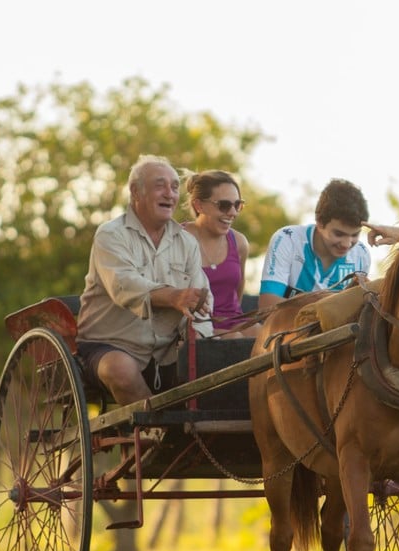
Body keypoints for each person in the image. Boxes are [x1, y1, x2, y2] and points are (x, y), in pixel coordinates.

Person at [75, 154, 212, 405]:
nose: (169, 193)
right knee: (121, 369)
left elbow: (200, 298)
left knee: (213, 360)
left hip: (167, 352)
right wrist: (173, 296)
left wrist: (200, 338)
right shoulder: (111, 234)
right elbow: (124, 285)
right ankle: (154, 428)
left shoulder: (187, 243)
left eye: (174, 187)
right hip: (110, 345)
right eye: (160, 185)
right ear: (135, 192)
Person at [257, 178, 371, 310]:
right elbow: (267, 306)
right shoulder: (287, 239)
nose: (346, 244)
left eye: (355, 235)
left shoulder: (361, 255)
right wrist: (325, 305)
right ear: (320, 222)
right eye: (339, 234)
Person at [182, 169, 258, 338]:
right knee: (234, 339)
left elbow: (239, 288)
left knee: (265, 335)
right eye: (224, 205)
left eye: (237, 205)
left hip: (233, 320)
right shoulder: (178, 240)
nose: (233, 212)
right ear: (199, 205)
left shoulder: (239, 242)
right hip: (195, 324)